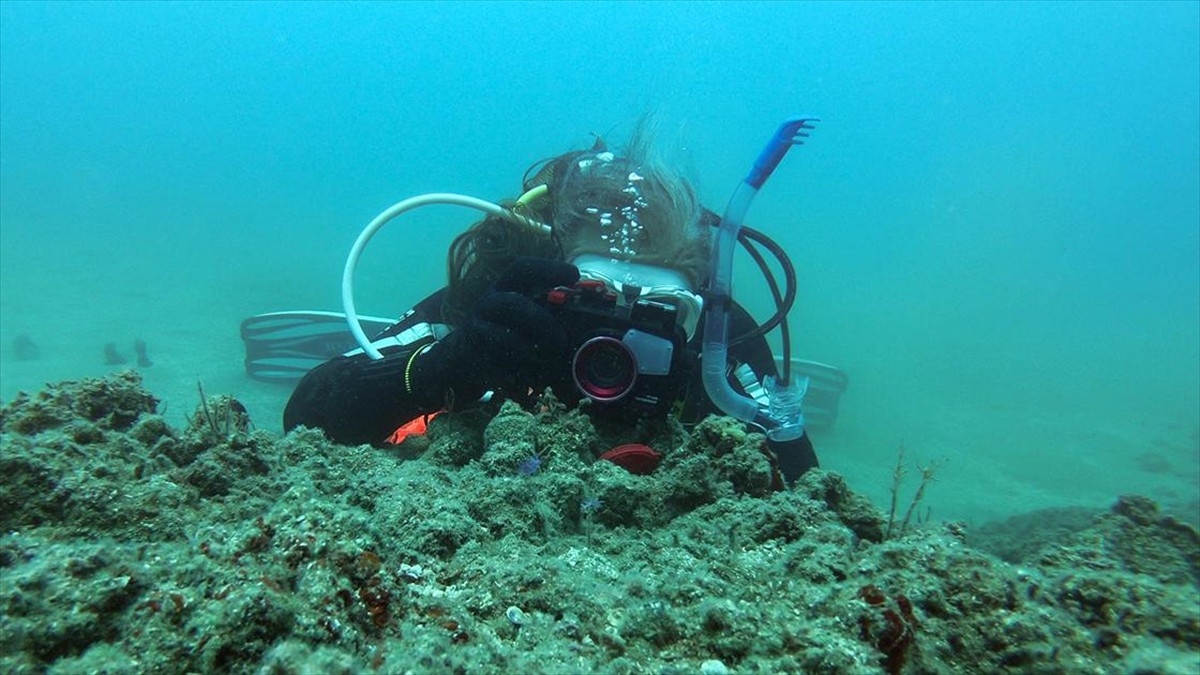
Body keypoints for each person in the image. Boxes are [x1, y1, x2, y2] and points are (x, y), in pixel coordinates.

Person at [283, 124, 819, 484]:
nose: (621, 335)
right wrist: (437, 368)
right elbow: (305, 418)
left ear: (697, 308)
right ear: (549, 277)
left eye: (662, 310)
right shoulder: (497, 313)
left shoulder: (717, 347)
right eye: (594, 297)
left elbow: (802, 487)